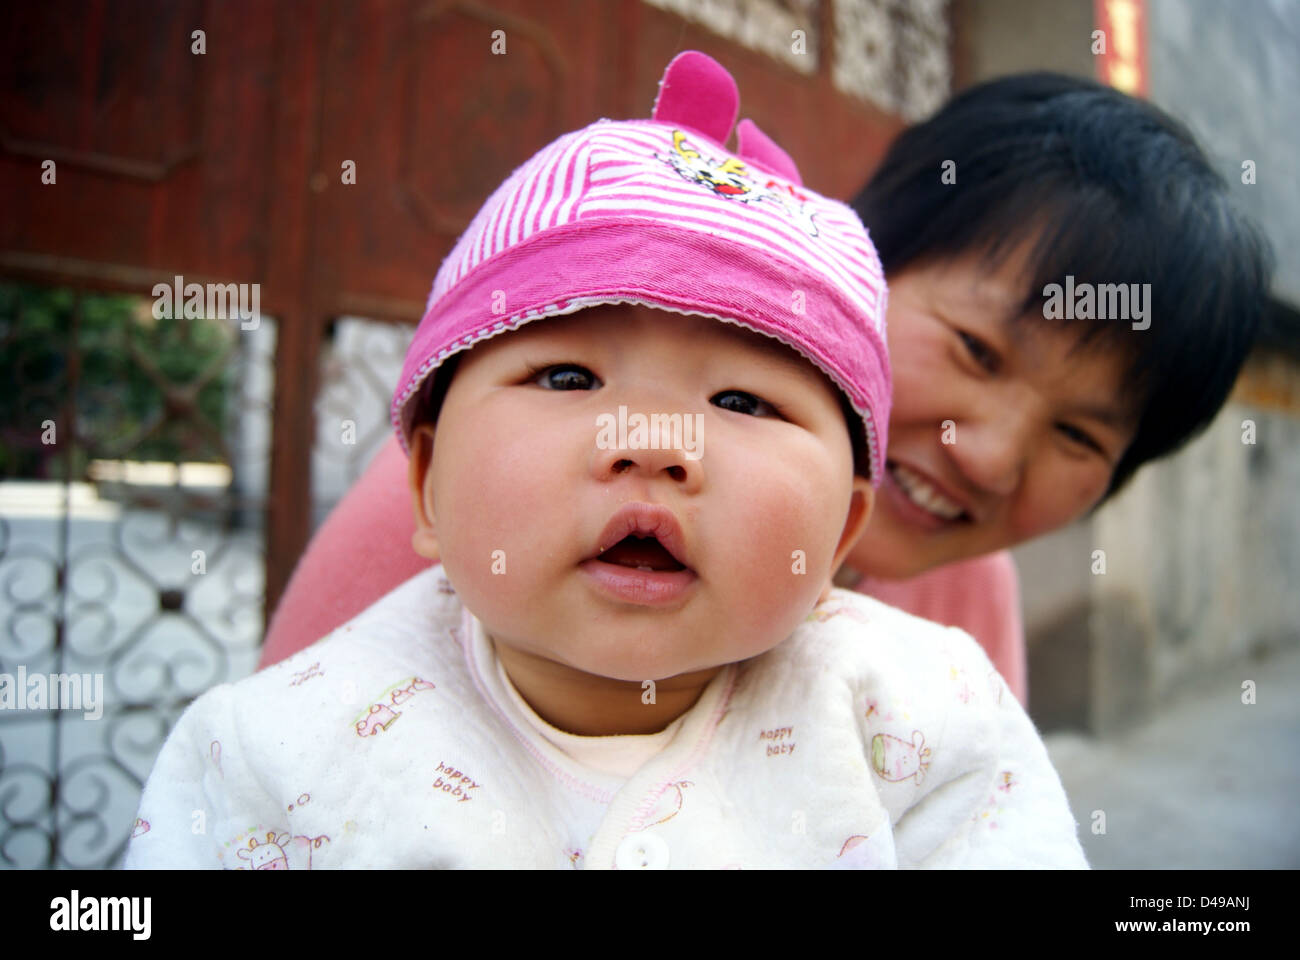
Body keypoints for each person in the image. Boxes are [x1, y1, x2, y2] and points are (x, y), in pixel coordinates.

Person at [123, 52, 1087, 869]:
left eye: (743, 403)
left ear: (841, 529)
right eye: (568, 377)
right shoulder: (279, 745)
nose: (654, 444)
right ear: (423, 483)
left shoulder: (924, 719)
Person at [255, 72, 1272, 709]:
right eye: (973, 349)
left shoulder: (959, 614)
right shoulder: (500, 477)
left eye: (1081, 437)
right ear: (859, 271)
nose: (992, 452)